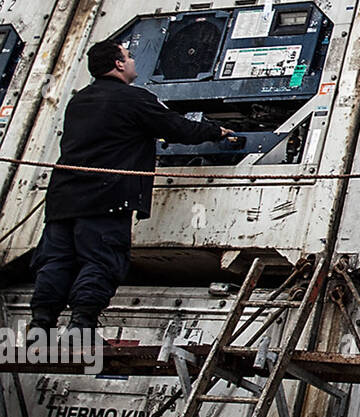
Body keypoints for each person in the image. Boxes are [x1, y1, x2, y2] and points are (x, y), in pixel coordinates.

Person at [28, 41, 231, 338]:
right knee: (100, 260)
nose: (134, 60)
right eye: (129, 55)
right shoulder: (134, 99)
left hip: (63, 199)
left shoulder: (79, 100)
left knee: (56, 261)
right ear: (119, 64)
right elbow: (178, 128)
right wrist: (217, 132)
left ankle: (40, 327)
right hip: (106, 199)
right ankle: (81, 327)